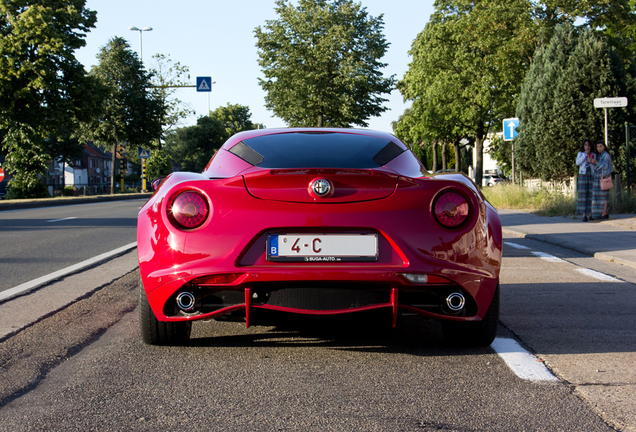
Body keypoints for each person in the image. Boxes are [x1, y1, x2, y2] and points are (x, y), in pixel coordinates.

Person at [590, 139, 613, 220]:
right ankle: (598, 213)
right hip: (598, 176)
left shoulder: (606, 155)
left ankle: (604, 213)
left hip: (604, 177)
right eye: (597, 147)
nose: (599, 148)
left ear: (604, 147)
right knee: (598, 195)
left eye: (600, 146)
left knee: (604, 195)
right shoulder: (599, 155)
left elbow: (605, 166)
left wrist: (596, 162)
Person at [575, 138, 595, 221]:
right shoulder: (580, 154)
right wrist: (585, 155)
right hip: (583, 175)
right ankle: (583, 215)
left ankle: (590, 214)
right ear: (583, 146)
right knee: (583, 194)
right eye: (586, 145)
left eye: (589, 145)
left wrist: (591, 161)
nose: (587, 147)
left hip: (591, 174)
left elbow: (595, 165)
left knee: (591, 194)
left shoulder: (594, 154)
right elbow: (578, 162)